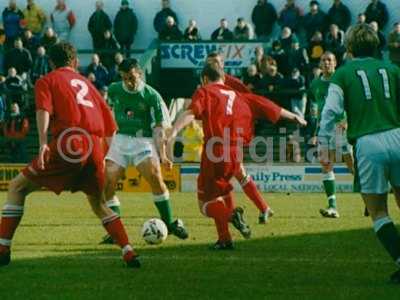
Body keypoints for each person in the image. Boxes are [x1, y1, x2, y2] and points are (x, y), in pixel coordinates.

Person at [0, 42, 140, 268]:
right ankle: (128, 250)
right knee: (98, 203)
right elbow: (110, 127)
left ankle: (3, 249)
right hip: (95, 145)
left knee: (17, 187)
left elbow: (43, 110)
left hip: (69, 141)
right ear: (75, 62)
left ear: (52, 63)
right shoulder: (89, 85)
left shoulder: (47, 80)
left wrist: (44, 142)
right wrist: (107, 158)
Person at [166, 63, 306, 249]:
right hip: (236, 152)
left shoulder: (205, 91)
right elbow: (272, 108)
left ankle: (232, 216)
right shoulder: (241, 96)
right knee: (221, 193)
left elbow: (191, 113)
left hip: (214, 150)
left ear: (205, 79)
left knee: (205, 204)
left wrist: (174, 131)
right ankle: (225, 239)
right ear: (224, 79)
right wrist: (295, 117)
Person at [318, 24, 400, 283]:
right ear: (377, 45)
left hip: (368, 143)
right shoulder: (393, 69)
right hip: (398, 135)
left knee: (377, 211)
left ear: (349, 48)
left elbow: (330, 112)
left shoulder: (342, 74)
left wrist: (323, 140)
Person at [99, 58, 188, 244]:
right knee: (107, 183)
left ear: (139, 74)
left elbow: (158, 129)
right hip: (120, 140)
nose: (128, 82)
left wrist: (163, 155)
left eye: (131, 77)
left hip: (144, 141)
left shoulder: (152, 96)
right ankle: (116, 232)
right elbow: (106, 116)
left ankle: (170, 223)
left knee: (155, 176)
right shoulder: (114, 90)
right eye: (124, 78)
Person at [206, 52, 273, 223]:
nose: (212, 66)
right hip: (216, 137)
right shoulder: (206, 81)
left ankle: (234, 214)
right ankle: (262, 208)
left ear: (222, 65)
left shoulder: (232, 83)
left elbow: (249, 100)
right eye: (209, 63)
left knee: (230, 175)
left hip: (230, 136)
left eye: (215, 63)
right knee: (236, 173)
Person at [309, 51, 353, 218]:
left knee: (351, 163)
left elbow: (351, 102)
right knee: (326, 163)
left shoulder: (341, 80)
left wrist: (348, 121)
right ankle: (332, 206)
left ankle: (367, 196)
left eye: (329, 60)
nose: (326, 63)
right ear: (320, 64)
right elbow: (316, 109)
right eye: (323, 60)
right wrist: (315, 131)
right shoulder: (314, 84)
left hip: (341, 126)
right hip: (324, 130)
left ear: (335, 63)